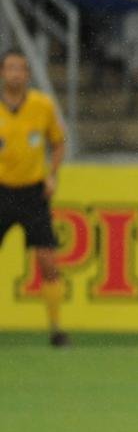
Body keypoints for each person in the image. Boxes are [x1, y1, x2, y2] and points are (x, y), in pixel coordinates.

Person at [0, 49, 69, 346]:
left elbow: (58, 143)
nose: (15, 73)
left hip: (33, 192)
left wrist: (52, 174)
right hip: (1, 190)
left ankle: (56, 328)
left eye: (21, 69)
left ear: (28, 75)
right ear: (2, 73)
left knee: (47, 261)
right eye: (10, 68)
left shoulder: (43, 105)